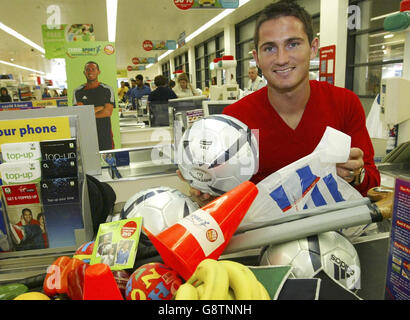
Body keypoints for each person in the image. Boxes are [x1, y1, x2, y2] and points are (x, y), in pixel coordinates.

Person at [178, 0, 380, 206]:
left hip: (333, 233)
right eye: (269, 48)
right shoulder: (236, 120)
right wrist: (207, 190)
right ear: (256, 58)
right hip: (262, 236)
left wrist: (356, 175)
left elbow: (373, 184)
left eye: (293, 44)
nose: (282, 58)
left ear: (313, 48)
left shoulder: (344, 104)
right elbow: (227, 201)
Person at [72, 61, 116, 151]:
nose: (90, 72)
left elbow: (107, 112)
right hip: (86, 135)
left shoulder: (107, 89)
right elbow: (80, 114)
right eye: (87, 70)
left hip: (105, 135)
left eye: (93, 69)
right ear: (84, 73)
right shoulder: (78, 91)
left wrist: (87, 113)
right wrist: (99, 108)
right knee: (88, 162)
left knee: (108, 162)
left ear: (98, 72)